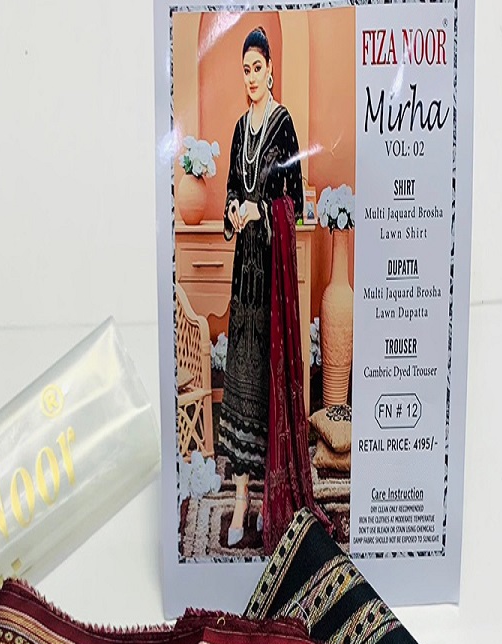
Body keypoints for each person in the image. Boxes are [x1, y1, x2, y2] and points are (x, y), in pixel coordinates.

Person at [218, 27, 303, 547]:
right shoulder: (238, 129)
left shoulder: (283, 125)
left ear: (271, 69)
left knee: (265, 384)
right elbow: (232, 184)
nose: (251, 77)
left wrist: (262, 212)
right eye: (245, 70)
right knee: (241, 381)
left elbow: (295, 201)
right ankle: (241, 499)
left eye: (257, 67)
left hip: (271, 274)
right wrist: (234, 209)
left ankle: (266, 499)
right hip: (242, 276)